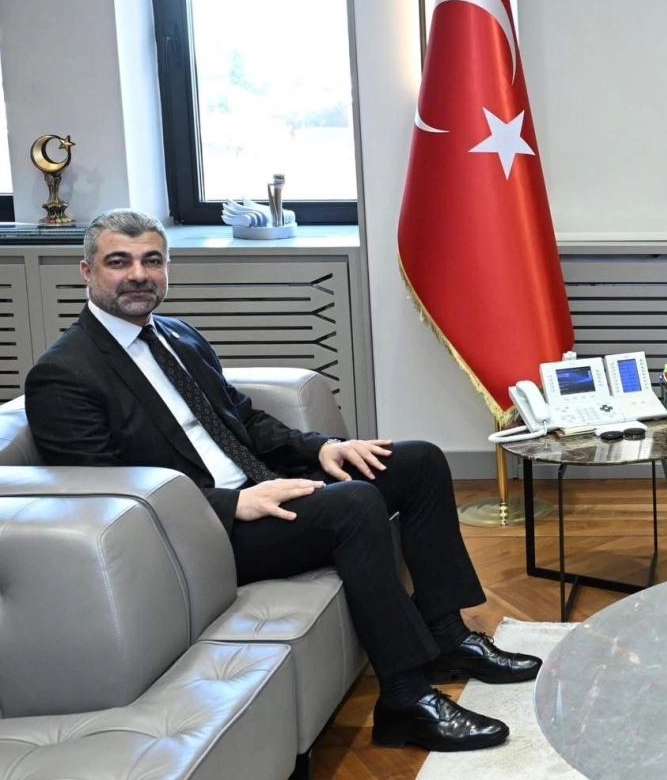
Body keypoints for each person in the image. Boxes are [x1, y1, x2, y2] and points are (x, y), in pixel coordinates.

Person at [25, 209, 537, 754]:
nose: (138, 275)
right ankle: (405, 701)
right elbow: (109, 496)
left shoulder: (176, 336)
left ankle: (448, 636)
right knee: (355, 504)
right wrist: (230, 505)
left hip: (264, 487)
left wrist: (323, 447)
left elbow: (243, 419)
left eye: (152, 260)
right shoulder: (65, 374)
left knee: (417, 461)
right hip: (199, 531)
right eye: (118, 262)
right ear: (87, 271)